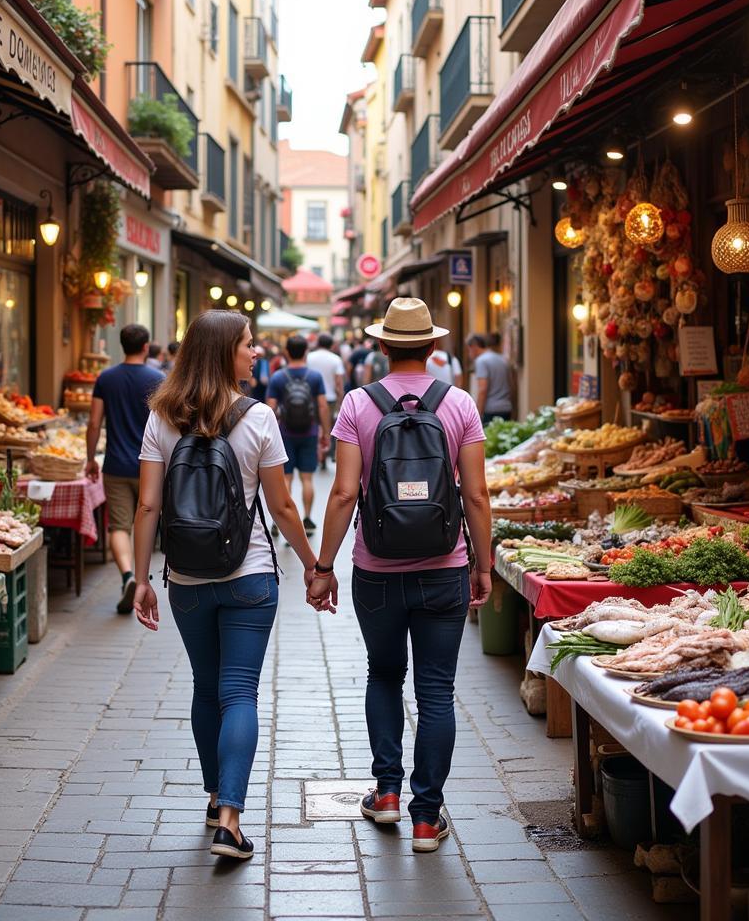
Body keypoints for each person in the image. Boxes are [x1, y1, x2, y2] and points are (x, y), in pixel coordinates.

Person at [130, 311, 321, 861]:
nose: (256, 351)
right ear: (222, 353)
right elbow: (283, 506)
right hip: (250, 575)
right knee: (239, 691)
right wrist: (313, 565)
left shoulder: (161, 417)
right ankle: (231, 821)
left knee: (204, 687)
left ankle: (216, 799)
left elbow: (147, 505)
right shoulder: (258, 417)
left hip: (186, 579)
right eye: (246, 344)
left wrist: (141, 579)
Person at [309, 297, 493, 853]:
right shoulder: (458, 403)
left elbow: (343, 493)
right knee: (436, 690)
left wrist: (323, 567)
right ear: (434, 348)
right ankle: (425, 817)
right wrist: (483, 566)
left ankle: (387, 793)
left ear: (382, 346)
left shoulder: (357, 405)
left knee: (384, 674)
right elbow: (477, 495)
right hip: (446, 567)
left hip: (376, 569)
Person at [86, 324, 164, 614]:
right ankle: (145, 577)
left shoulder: (106, 378)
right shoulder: (158, 378)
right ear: (146, 347)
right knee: (148, 517)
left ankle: (128, 575)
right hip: (151, 465)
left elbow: (94, 422)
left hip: (116, 463)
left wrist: (90, 457)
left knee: (118, 525)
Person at [266, 335, 330, 533]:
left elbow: (270, 407)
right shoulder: (314, 377)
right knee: (307, 479)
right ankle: (308, 519)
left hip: (284, 433)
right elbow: (322, 405)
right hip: (309, 432)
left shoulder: (278, 377)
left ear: (286, 352)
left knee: (286, 479)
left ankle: (280, 520)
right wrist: (325, 432)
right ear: (306, 352)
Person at [306, 333, 346, 468]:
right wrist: (341, 399)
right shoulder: (336, 359)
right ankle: (325, 453)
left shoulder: (309, 357)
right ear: (331, 345)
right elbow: (339, 383)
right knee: (327, 426)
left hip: (310, 397)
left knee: (314, 425)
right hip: (330, 398)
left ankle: (316, 453)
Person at [466, 332, 514, 425]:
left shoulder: (481, 361)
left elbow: (482, 390)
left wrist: (477, 414)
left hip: (491, 410)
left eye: (469, 349)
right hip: (506, 407)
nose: (469, 354)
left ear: (474, 346)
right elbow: (511, 385)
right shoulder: (502, 359)